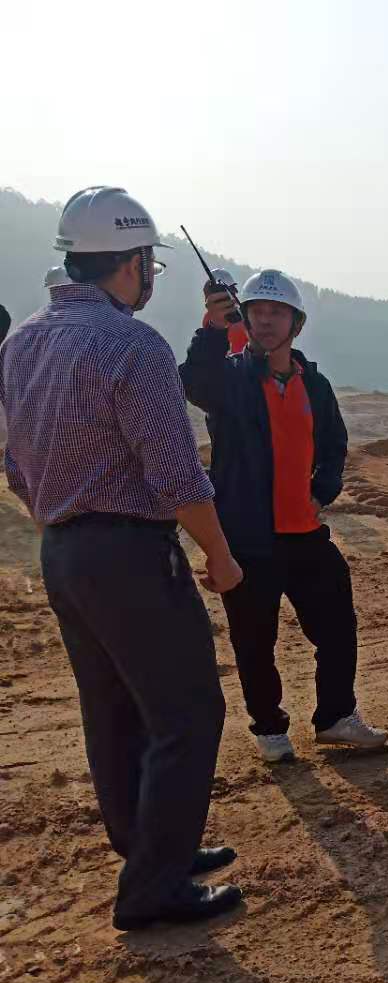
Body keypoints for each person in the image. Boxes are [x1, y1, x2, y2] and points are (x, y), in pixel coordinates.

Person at [0, 186, 242, 930]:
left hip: (62, 550)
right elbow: (176, 474)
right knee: (188, 713)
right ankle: (152, 889)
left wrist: (59, 515)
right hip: (130, 554)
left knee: (110, 710)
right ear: (132, 262)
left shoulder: (23, 341)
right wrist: (220, 555)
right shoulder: (134, 345)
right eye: (149, 266)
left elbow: (14, 462)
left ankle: (149, 851)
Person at [181, 270, 388, 762]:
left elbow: (334, 445)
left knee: (337, 628)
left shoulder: (314, 383)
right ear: (245, 318)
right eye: (256, 311)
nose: (266, 320)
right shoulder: (231, 379)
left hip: (306, 535)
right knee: (255, 642)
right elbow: (195, 382)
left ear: (296, 323)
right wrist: (212, 326)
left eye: (277, 312)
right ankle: (270, 729)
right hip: (248, 538)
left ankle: (336, 716)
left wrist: (321, 491)